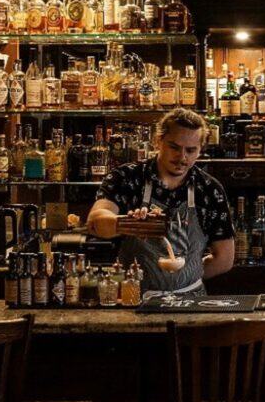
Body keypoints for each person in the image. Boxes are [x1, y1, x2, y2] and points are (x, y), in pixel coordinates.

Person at [87, 108, 234, 298]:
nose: (182, 157)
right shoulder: (126, 178)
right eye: (174, 147)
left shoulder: (209, 189)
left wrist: (185, 277)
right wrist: (129, 224)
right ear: (158, 141)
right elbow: (95, 222)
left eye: (191, 150)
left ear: (201, 149)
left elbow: (225, 259)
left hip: (191, 301)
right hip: (134, 299)